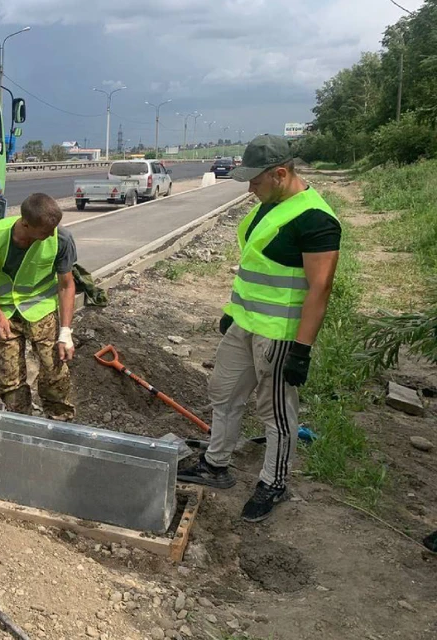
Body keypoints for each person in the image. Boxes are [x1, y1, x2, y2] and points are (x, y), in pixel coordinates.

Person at [178, 134, 341, 522]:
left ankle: (274, 482)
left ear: (280, 174)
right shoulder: (269, 206)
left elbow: (321, 287)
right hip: (245, 325)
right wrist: (234, 311)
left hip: (280, 334)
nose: (249, 188)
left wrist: (302, 348)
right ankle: (216, 464)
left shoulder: (316, 219)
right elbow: (257, 270)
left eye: (255, 180)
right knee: (224, 393)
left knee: (277, 414)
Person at [0, 193, 77, 421]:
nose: (50, 235)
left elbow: (67, 285)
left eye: (53, 229)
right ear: (25, 224)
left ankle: (60, 425)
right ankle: (22, 426)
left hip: (41, 311)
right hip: (6, 314)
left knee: (54, 372)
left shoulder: (61, 239)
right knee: (10, 380)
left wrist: (66, 331)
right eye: (44, 232)